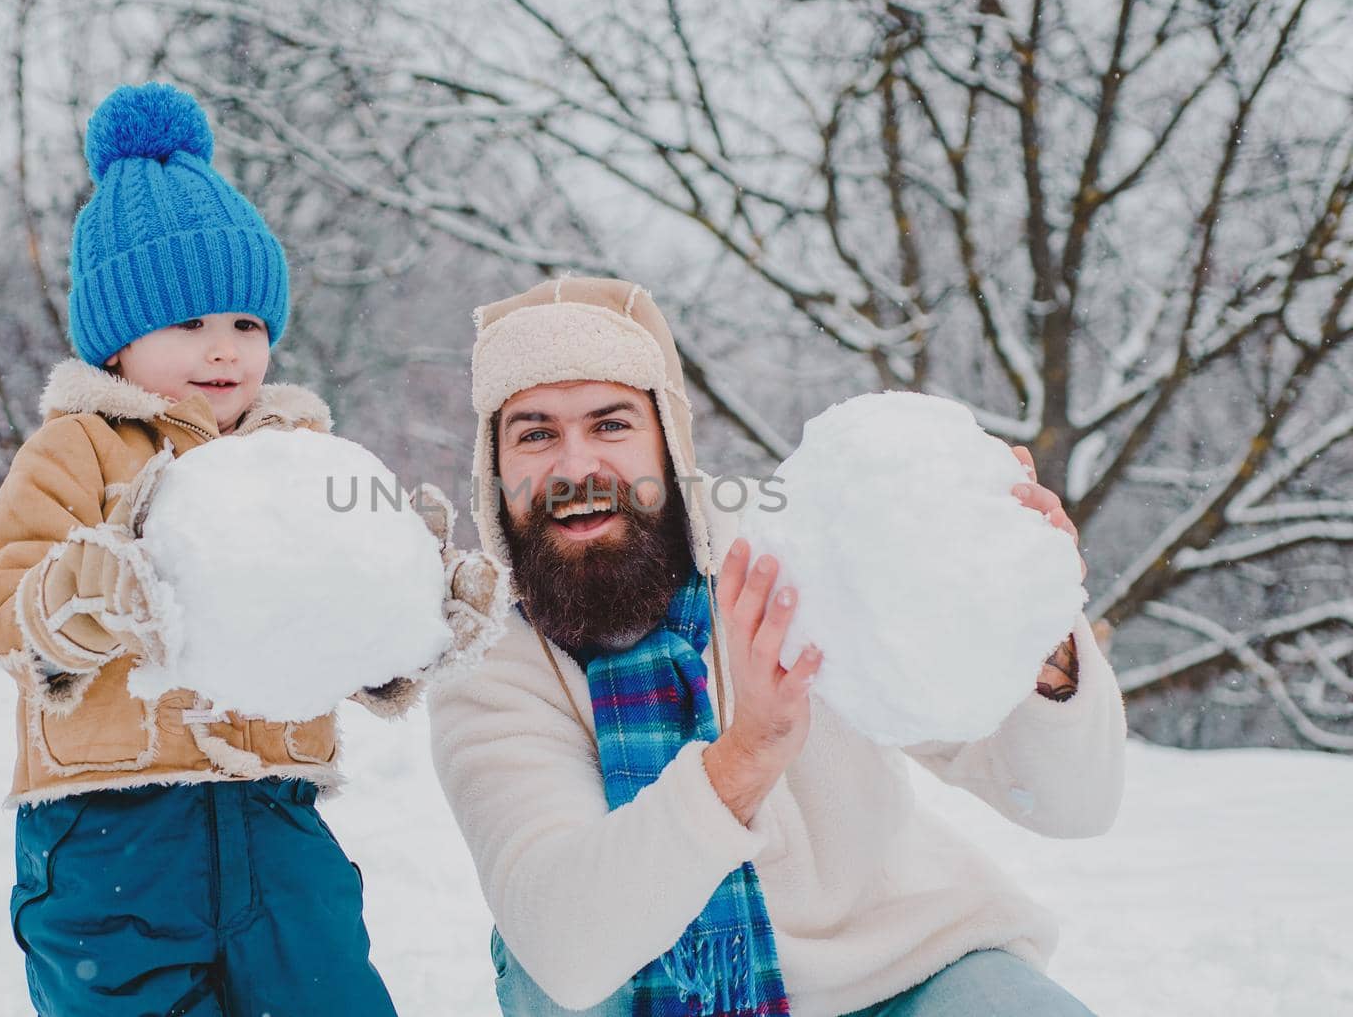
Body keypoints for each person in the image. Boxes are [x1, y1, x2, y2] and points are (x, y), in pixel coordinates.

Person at [429, 276, 1126, 1016]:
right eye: (536, 433)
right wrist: (748, 754)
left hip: (900, 971)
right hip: (633, 996)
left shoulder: (796, 556)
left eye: (611, 425)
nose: (575, 469)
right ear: (495, 473)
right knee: (553, 952)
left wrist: (1037, 645)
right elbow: (568, 950)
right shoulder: (487, 666)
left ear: (668, 446)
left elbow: (1068, 804)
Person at [0, 82, 503, 1016]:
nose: (223, 349)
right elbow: (10, 609)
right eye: (188, 323)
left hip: (276, 822)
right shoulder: (77, 449)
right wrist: (81, 598)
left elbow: (326, 621)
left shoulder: (296, 459)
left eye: (247, 325)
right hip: (114, 836)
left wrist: (407, 624)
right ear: (115, 342)